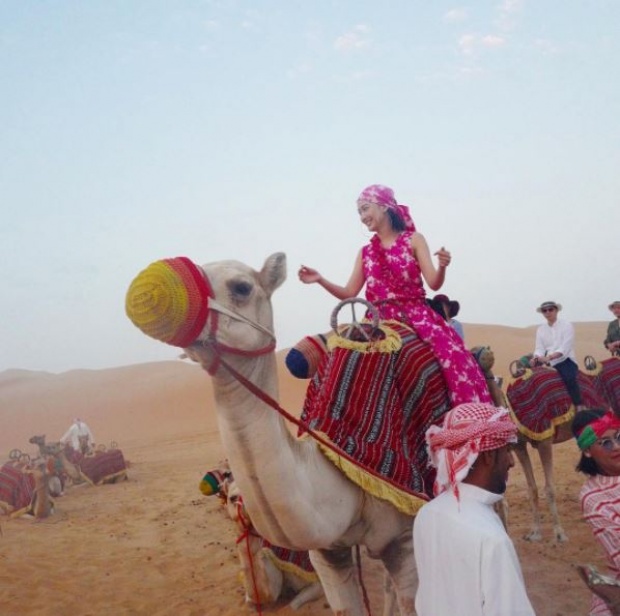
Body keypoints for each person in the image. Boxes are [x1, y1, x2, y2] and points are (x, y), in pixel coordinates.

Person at [298, 184, 490, 406]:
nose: (362, 217)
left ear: (384, 207)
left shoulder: (414, 239)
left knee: (453, 359)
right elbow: (349, 293)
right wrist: (320, 279)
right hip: (377, 319)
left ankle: (467, 416)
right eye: (359, 212)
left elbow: (434, 284)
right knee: (344, 364)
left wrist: (442, 266)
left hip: (416, 316)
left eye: (365, 208)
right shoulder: (365, 252)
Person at [413, 402, 536, 616]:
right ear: (488, 456)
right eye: (506, 451)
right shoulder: (491, 539)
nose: (511, 462)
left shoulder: (427, 514)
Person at [572, 408, 620, 616]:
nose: (616, 447)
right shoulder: (593, 497)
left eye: (618, 437)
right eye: (605, 443)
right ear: (587, 451)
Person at [530, 300, 584, 410]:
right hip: (547, 360)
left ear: (556, 310)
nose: (548, 312)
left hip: (565, 360)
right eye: (545, 310)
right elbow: (539, 348)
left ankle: (579, 405)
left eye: (550, 309)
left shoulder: (566, 325)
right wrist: (536, 357)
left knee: (569, 378)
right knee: (529, 377)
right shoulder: (541, 329)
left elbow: (565, 347)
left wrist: (549, 357)